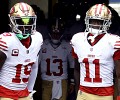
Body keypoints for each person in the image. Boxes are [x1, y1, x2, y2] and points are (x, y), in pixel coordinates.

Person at [70, 4, 120, 100]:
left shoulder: (113, 41)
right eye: (93, 21)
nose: (95, 24)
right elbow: (77, 69)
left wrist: (118, 96)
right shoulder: (78, 39)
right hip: (83, 92)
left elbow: (119, 75)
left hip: (105, 93)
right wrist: (77, 91)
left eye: (99, 21)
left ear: (107, 23)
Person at [0, 2, 43, 100]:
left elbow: (34, 66)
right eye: (21, 21)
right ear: (12, 22)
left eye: (29, 21)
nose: (26, 25)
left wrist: (30, 90)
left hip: (24, 93)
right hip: (5, 93)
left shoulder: (37, 38)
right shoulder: (6, 41)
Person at [38, 17, 74, 100]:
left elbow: (72, 64)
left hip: (62, 81)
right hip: (46, 81)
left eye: (58, 33)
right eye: (54, 32)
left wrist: (72, 82)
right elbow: (36, 65)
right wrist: (37, 82)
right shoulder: (42, 45)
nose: (56, 35)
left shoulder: (67, 46)